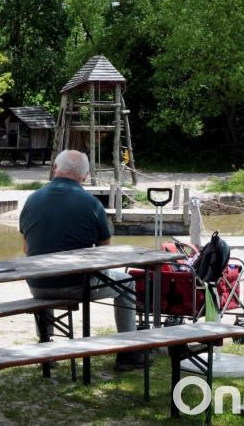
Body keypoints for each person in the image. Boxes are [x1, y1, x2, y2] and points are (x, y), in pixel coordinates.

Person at [19, 149, 144, 371]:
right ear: (85, 176)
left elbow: (27, 248)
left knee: (45, 269)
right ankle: (128, 354)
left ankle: (46, 349)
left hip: (37, 286)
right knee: (127, 282)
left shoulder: (31, 199)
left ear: (55, 169)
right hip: (78, 285)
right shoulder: (91, 204)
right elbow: (104, 255)